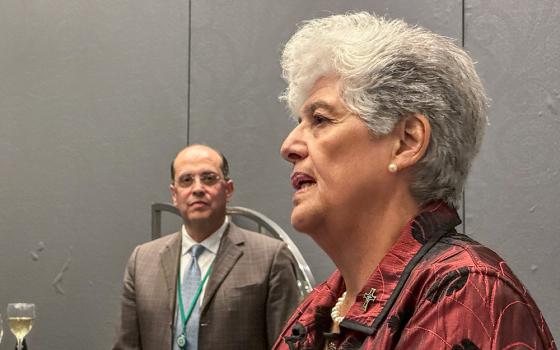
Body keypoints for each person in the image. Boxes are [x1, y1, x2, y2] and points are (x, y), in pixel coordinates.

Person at [273, 12, 556, 350]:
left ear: (407, 142)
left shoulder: (464, 291)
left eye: (320, 119)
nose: (289, 146)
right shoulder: (319, 307)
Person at [113, 144, 301, 350]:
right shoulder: (142, 260)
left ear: (228, 189)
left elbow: (287, 346)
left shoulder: (271, 257)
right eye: (186, 180)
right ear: (174, 195)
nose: (198, 189)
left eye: (209, 178)